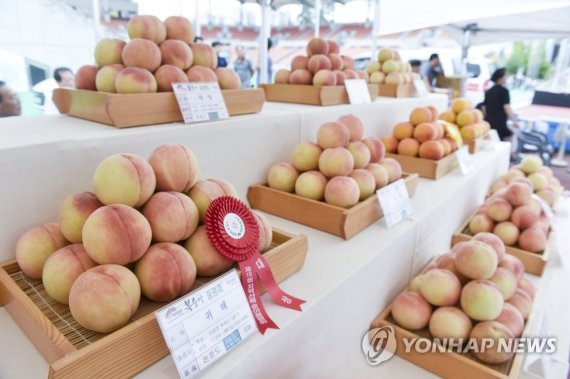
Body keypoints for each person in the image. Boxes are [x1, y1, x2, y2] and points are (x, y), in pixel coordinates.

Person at [483, 67, 519, 141]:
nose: (507, 77)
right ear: (500, 77)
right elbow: (507, 107)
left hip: (489, 122)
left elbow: (484, 107)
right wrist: (515, 121)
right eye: (506, 75)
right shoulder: (504, 91)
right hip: (500, 124)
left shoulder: (489, 91)